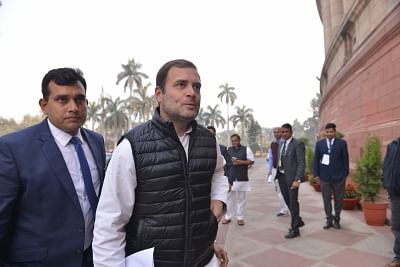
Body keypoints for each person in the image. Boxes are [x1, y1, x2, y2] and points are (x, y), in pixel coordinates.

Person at [93, 59, 229, 267]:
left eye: (197, 86)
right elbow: (110, 223)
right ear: (159, 94)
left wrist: (219, 200)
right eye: (181, 85)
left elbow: (219, 172)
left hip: (203, 259)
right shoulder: (133, 147)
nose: (191, 92)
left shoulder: (209, 141)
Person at [0, 68, 106, 267]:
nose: (73, 107)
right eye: (62, 100)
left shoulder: (96, 142)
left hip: (92, 259)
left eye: (80, 99)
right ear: (44, 105)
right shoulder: (13, 149)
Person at [313, 123, 349, 229]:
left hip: (339, 177)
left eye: (331, 131)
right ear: (325, 132)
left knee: (339, 199)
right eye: (327, 132)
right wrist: (316, 174)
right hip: (324, 177)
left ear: (335, 132)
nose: (329, 134)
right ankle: (329, 219)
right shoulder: (320, 144)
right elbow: (316, 160)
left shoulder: (342, 143)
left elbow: (345, 159)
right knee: (326, 199)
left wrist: (345, 173)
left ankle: (337, 219)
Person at [276, 123, 305, 238]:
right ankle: (298, 220)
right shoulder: (281, 144)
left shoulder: (297, 144)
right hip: (282, 177)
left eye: (286, 132)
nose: (284, 134)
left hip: (292, 179)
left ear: (291, 132)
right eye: (282, 132)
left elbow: (301, 163)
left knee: (293, 203)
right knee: (288, 202)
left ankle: (295, 229)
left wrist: (297, 179)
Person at [222, 134, 255, 226]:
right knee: (229, 199)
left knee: (241, 199)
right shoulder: (228, 150)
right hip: (230, 179)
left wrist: (239, 162)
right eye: (232, 141)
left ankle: (240, 218)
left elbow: (251, 161)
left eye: (235, 141)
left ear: (239, 140)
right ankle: (228, 217)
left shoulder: (246, 149)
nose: (234, 142)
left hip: (242, 177)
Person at [382, 137, 400, 267]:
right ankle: (398, 257)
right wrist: (386, 182)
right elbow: (386, 165)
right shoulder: (392, 145)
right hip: (395, 193)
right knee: (396, 225)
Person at [266, 127, 289, 217]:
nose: (277, 134)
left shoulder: (286, 143)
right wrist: (269, 170)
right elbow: (271, 157)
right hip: (276, 170)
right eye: (275, 132)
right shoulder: (273, 144)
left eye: (278, 132)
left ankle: (290, 208)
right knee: (279, 190)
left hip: (286, 170)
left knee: (288, 190)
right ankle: (284, 209)